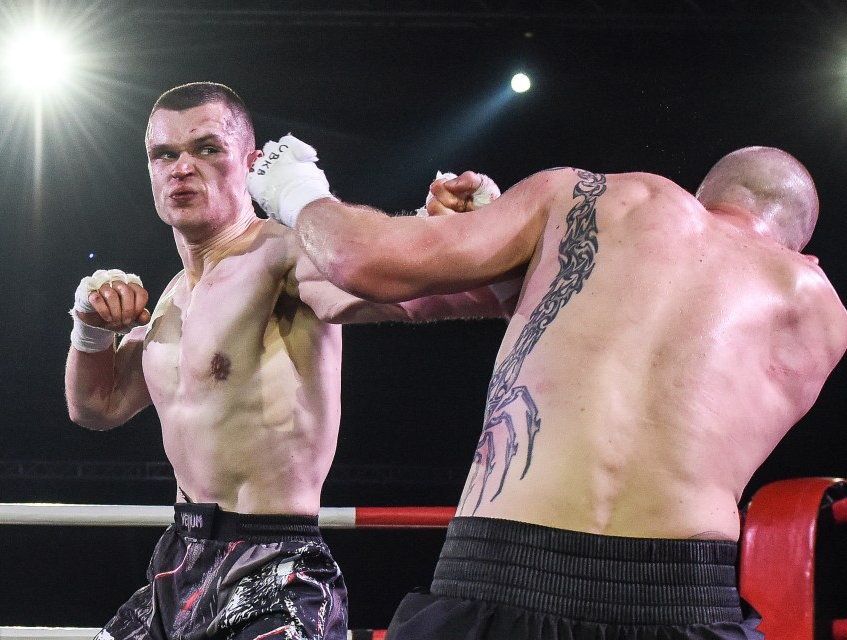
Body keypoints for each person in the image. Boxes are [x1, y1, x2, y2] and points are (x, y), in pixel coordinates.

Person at [247, 136, 847, 639]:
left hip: (504, 573)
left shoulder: (608, 196)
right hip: (687, 600)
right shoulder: (823, 316)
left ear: (701, 195)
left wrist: (295, 188)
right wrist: (515, 257)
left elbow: (354, 266)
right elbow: (668, 375)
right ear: (801, 244)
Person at [64, 83, 508, 640]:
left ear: (250, 164)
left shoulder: (286, 257)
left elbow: (413, 292)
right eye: (165, 154)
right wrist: (88, 331)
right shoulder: (173, 297)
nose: (181, 168)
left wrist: (464, 233)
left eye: (206, 149)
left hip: (273, 564)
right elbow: (96, 407)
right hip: (179, 562)